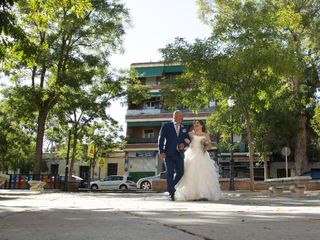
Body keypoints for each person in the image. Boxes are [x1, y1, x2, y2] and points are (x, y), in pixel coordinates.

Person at [175, 120, 222, 201]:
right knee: (190, 174)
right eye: (195, 124)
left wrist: (205, 147)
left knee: (202, 174)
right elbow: (185, 141)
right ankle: (192, 194)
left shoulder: (205, 135)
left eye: (198, 124)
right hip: (191, 154)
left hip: (202, 154)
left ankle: (202, 194)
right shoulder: (190, 133)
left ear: (201, 126)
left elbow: (209, 146)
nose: (196, 125)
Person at [158, 110, 189, 201]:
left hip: (179, 154)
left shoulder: (184, 128)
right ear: (174, 116)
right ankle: (172, 193)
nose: (180, 118)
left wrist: (183, 144)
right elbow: (161, 138)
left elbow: (187, 138)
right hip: (168, 154)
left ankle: (171, 187)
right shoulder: (166, 126)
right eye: (178, 116)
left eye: (181, 116)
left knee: (181, 172)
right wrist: (161, 150)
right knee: (170, 173)